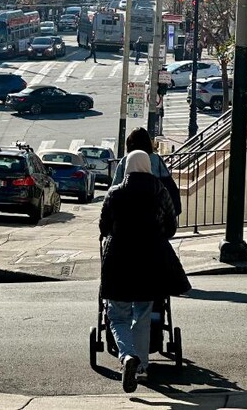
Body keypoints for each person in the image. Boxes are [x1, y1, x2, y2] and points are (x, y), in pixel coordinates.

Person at [99, 150, 190, 392]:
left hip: (118, 260)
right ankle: (142, 368)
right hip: (150, 261)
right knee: (142, 314)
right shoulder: (160, 192)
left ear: (127, 167)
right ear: (148, 166)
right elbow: (171, 226)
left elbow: (103, 226)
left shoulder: (115, 193)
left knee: (117, 315)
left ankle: (128, 356)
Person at [112, 126, 182, 215]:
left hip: (127, 211)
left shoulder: (125, 161)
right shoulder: (156, 159)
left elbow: (114, 187)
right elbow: (168, 182)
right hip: (154, 211)